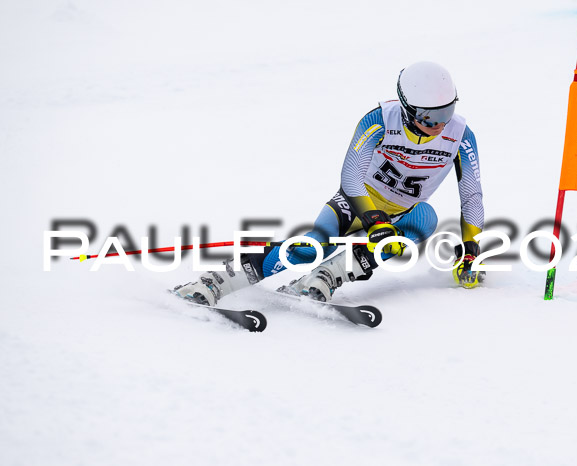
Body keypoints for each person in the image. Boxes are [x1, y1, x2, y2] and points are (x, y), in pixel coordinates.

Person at [174, 61, 484, 305]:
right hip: (357, 200)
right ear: (407, 109)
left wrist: (471, 250)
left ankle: (327, 276)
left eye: (447, 111)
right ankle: (215, 282)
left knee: (423, 219)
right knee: (310, 248)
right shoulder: (378, 121)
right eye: (430, 118)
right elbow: (350, 178)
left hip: (403, 210)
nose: (440, 124)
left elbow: (471, 196)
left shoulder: (459, 136)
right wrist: (374, 220)